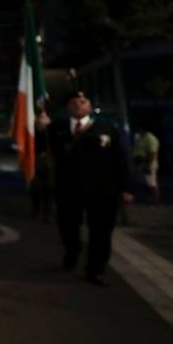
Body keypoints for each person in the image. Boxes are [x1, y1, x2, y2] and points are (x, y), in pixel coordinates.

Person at [49, 89, 130, 285]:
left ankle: (96, 270)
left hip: (103, 191)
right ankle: (72, 249)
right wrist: (39, 127)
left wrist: (126, 188)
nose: (79, 104)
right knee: (67, 227)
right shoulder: (56, 129)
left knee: (101, 232)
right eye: (74, 102)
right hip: (69, 189)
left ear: (90, 106)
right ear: (68, 107)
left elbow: (120, 160)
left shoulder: (107, 130)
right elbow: (44, 150)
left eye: (83, 101)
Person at [132, 123, 161, 206]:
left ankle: (155, 201)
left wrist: (148, 165)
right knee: (147, 183)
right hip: (142, 163)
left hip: (148, 164)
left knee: (152, 183)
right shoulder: (142, 137)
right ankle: (150, 199)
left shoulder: (150, 138)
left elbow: (152, 153)